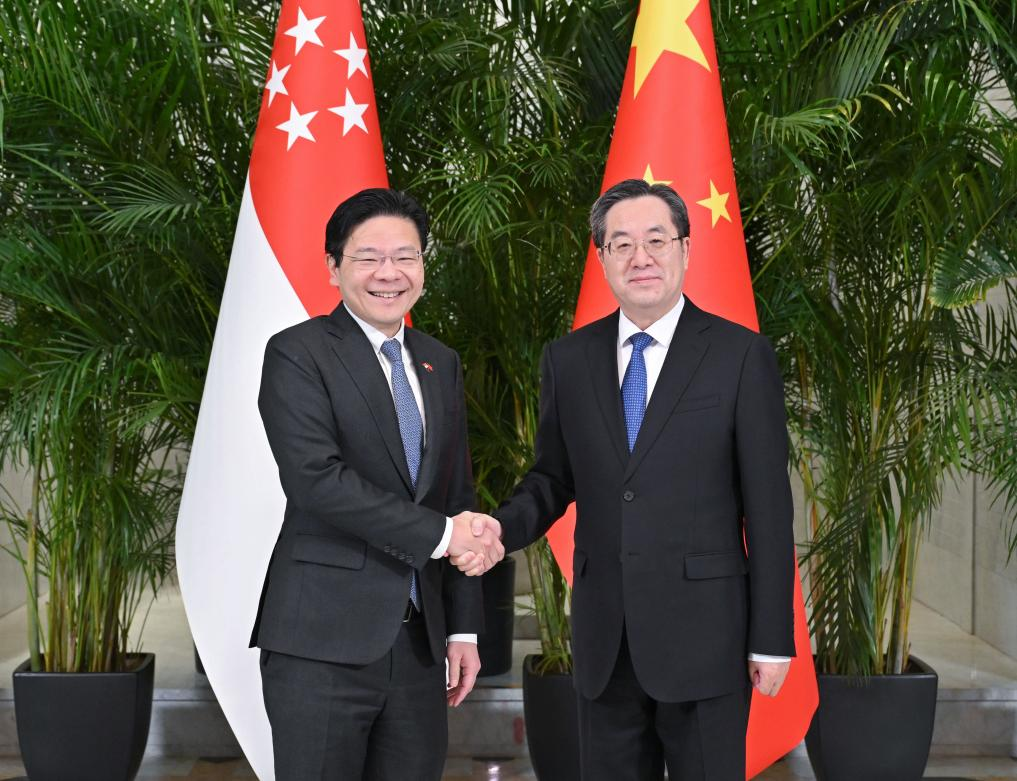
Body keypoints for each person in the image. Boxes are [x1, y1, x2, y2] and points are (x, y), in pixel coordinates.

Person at [455, 179, 795, 780]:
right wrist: (498, 531)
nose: (641, 257)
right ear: (603, 259)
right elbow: (552, 478)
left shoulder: (740, 356)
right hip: (605, 643)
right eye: (622, 244)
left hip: (706, 640)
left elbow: (769, 509)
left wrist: (772, 637)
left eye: (656, 240)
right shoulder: (569, 358)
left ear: (685, 250)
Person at [251, 188, 504, 781]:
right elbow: (317, 481)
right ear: (334, 267)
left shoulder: (439, 360)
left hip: (420, 648)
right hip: (321, 644)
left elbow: (456, 495)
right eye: (367, 257)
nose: (388, 273)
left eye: (406, 256)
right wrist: (445, 535)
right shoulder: (297, 353)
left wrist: (463, 628)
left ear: (422, 266)